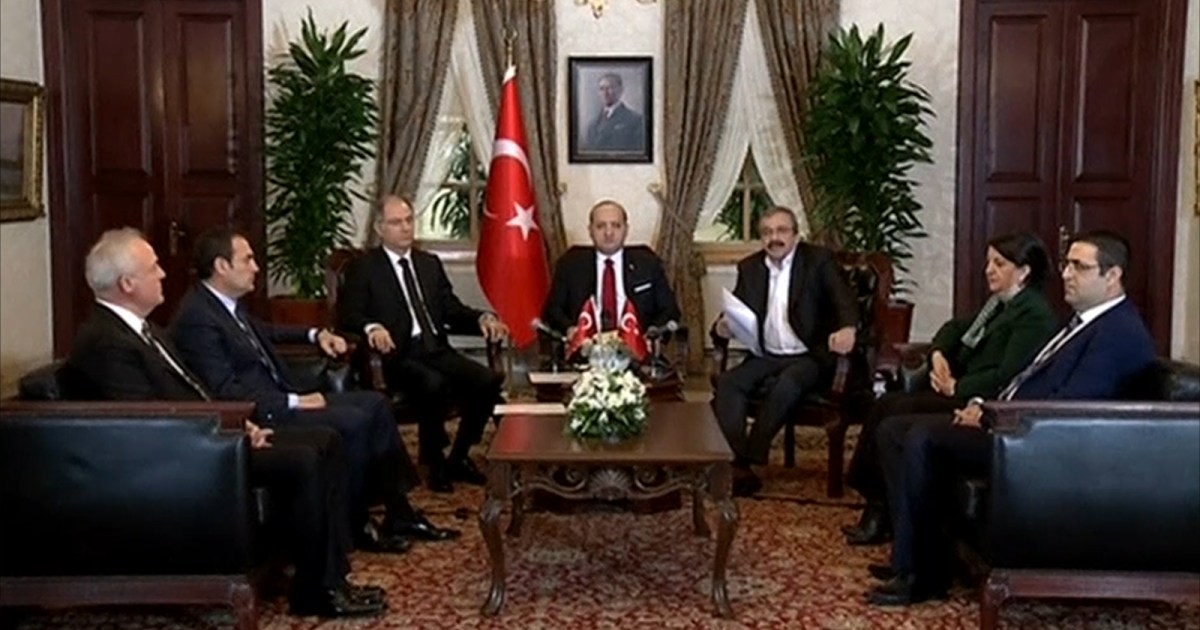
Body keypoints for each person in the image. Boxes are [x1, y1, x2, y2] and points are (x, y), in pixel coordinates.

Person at [66, 228, 385, 617]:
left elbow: (194, 391)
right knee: (306, 456)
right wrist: (227, 436)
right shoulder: (106, 341)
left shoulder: (147, 330)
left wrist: (239, 424)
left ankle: (329, 580)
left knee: (325, 442)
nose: (163, 274)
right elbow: (146, 422)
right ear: (127, 283)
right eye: (153, 268)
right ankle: (317, 593)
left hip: (204, 440)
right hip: (178, 459)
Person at [868, 230, 1157, 606]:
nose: (1066, 274)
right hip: (1016, 423)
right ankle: (918, 559)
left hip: (1037, 443)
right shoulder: (1083, 321)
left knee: (922, 435)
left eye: (1079, 267)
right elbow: (1027, 378)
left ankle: (920, 575)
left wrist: (991, 418)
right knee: (896, 430)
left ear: (1112, 275)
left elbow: (1070, 406)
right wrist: (984, 405)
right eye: (1066, 264)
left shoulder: (1118, 331)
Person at [169, 227, 459, 552]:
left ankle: (399, 512)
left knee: (376, 405)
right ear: (222, 266)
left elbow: (267, 332)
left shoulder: (224, 304)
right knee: (355, 421)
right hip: (264, 415)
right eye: (247, 259)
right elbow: (225, 392)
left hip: (281, 398)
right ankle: (356, 524)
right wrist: (294, 401)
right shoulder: (198, 318)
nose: (256, 267)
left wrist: (315, 333)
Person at [842, 232, 1057, 546]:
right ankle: (878, 505)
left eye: (999, 264)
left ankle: (880, 511)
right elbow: (955, 328)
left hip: (982, 401)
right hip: (959, 389)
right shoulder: (1000, 303)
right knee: (886, 403)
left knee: (896, 412)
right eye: (988, 262)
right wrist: (939, 354)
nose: (989, 270)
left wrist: (957, 385)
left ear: (1024, 271)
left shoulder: (1033, 314)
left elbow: (1008, 374)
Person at [338, 195, 509, 493]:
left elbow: (451, 310)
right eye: (396, 222)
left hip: (435, 349)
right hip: (396, 356)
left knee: (487, 380)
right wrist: (371, 327)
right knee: (433, 383)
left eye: (409, 220)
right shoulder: (365, 267)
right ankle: (435, 462)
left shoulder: (428, 264)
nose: (406, 228)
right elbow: (349, 315)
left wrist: (482, 317)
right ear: (380, 228)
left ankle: (458, 457)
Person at [711, 206, 858, 497]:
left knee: (788, 382)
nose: (774, 238)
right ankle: (737, 463)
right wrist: (721, 327)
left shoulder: (818, 261)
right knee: (729, 382)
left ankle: (747, 457)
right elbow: (735, 311)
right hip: (766, 355)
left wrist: (848, 328)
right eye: (767, 232)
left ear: (796, 235)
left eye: (781, 231)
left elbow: (845, 301)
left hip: (808, 355)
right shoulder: (750, 268)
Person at [542, 199, 680, 338]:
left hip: (635, 345)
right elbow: (552, 311)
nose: (608, 233)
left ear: (626, 229)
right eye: (600, 226)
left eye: (616, 225)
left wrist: (652, 333)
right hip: (587, 346)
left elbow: (669, 310)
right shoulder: (570, 263)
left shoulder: (648, 263)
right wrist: (569, 329)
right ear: (590, 230)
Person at [583, 72, 645, 153]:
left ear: (620, 90)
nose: (605, 93)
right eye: (601, 89)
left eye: (610, 88)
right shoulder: (592, 125)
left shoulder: (635, 120)